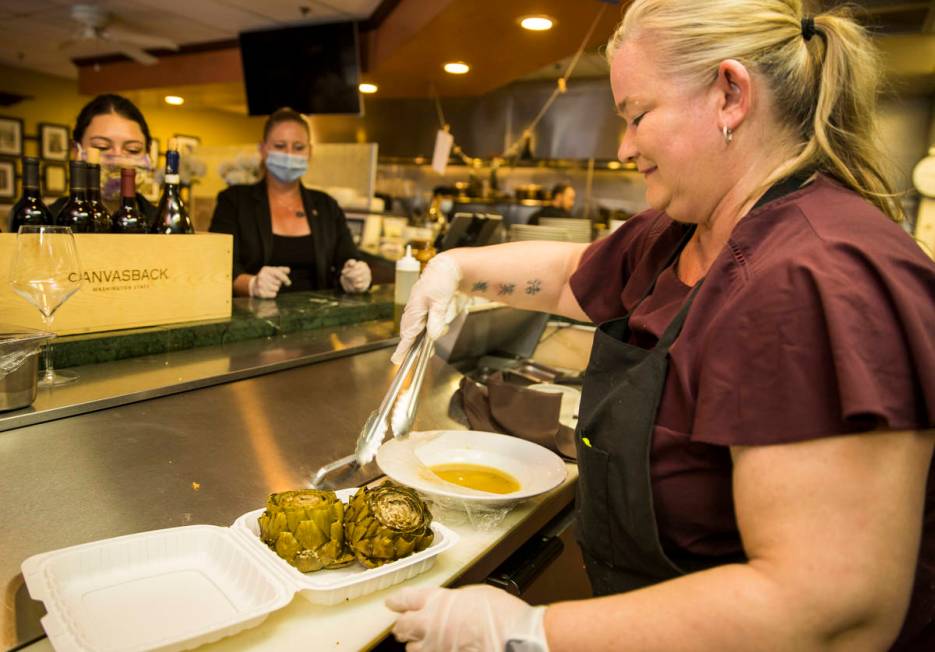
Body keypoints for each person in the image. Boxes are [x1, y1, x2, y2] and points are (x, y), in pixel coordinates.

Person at [387, 1, 935, 650]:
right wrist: (454, 268)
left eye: (636, 115)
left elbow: (827, 609)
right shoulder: (684, 230)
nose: (624, 148)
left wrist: (531, 630)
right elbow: (572, 275)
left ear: (730, 94)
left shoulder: (814, 279)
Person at [209, 107, 370, 298]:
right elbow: (219, 267)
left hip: (318, 320)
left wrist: (355, 275)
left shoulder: (327, 206)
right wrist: (252, 284)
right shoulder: (234, 201)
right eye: (279, 146)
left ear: (310, 152)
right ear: (263, 149)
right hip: (253, 321)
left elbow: (348, 257)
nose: (289, 154)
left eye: (298, 147)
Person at [50, 93, 157, 223]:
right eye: (102, 147)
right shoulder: (47, 221)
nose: (118, 159)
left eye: (132, 149)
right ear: (75, 152)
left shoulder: (163, 224)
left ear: (148, 153)